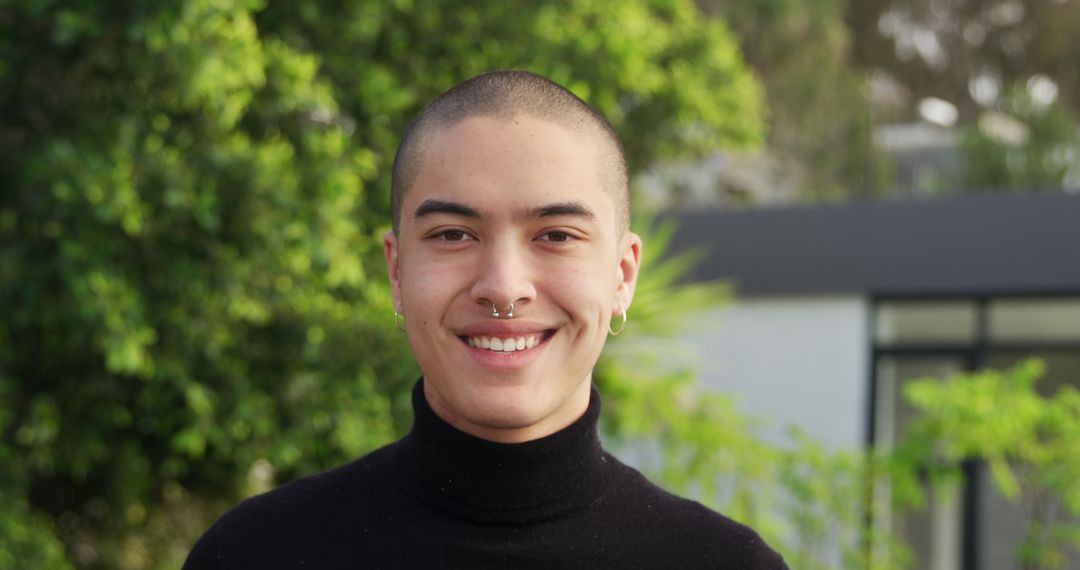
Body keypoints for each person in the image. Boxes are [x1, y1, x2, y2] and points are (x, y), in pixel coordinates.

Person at [184, 70, 787, 569]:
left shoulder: (724, 565)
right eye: (452, 234)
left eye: (555, 235)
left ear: (622, 275)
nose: (503, 288)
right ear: (396, 272)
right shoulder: (256, 553)